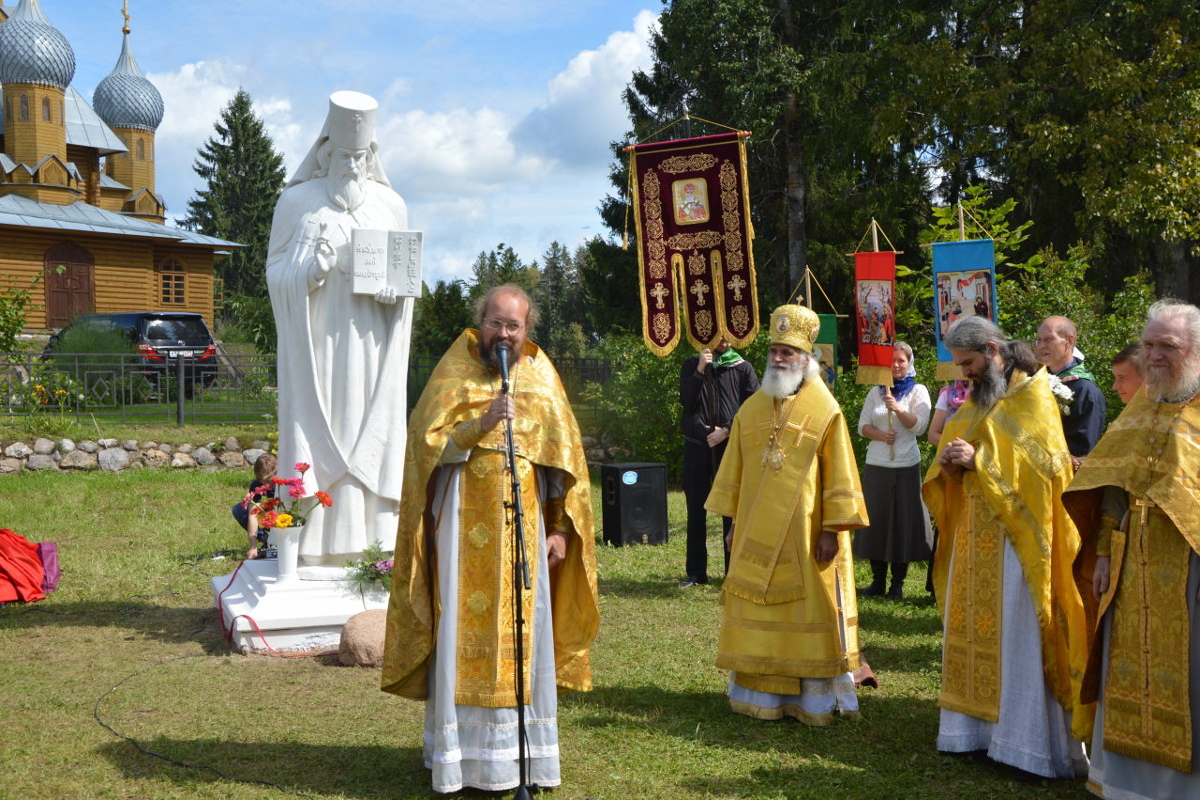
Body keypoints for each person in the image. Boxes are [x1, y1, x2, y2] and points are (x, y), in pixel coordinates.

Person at [381, 284, 599, 794]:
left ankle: (522, 759)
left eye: (514, 326)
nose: (504, 334)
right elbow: (424, 447)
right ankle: (461, 760)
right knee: (459, 635)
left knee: (525, 637)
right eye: (496, 323)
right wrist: (479, 424)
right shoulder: (452, 372)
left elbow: (563, 465)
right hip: (460, 530)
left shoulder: (541, 376)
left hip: (524, 530)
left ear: (528, 330)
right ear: (481, 322)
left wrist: (561, 529)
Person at [923, 315, 1091, 778]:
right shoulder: (979, 400)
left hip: (1018, 544)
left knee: (1017, 636)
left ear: (994, 351)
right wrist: (952, 466)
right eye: (959, 365)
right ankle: (970, 734)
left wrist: (979, 460)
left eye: (970, 362)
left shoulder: (1033, 395)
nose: (965, 373)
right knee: (973, 632)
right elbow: (951, 450)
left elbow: (1048, 473)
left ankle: (1024, 747)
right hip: (974, 537)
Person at [266, 90, 413, 568]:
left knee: (366, 426)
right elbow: (274, 271)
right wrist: (308, 272)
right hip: (319, 346)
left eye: (359, 157)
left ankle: (376, 544)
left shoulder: (391, 206)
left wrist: (396, 295)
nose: (351, 166)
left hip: (370, 343)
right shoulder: (296, 202)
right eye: (343, 156)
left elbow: (407, 276)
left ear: (371, 158)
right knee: (321, 427)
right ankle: (307, 547)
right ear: (325, 153)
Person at [706, 303, 869, 725]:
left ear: (805, 358)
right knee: (757, 611)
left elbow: (840, 474)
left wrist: (833, 528)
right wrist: (735, 527)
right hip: (755, 535)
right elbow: (737, 474)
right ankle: (759, 695)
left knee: (809, 609)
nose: (779, 359)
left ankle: (813, 698)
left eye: (788, 352)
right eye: (774, 350)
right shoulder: (753, 408)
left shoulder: (826, 410)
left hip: (807, 532)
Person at [1064, 299, 1200, 799]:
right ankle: (1126, 787)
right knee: (1129, 672)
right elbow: (1113, 489)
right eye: (1150, 345)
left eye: (1169, 346)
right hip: (1129, 567)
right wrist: (1101, 552)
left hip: (1190, 573)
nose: (1156, 356)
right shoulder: (1143, 406)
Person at [854, 342, 932, 599]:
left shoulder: (918, 391)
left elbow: (919, 427)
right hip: (877, 464)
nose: (896, 365)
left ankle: (897, 584)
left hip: (905, 465)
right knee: (877, 522)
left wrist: (898, 408)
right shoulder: (875, 393)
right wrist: (880, 435)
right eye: (892, 361)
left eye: (901, 360)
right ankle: (877, 580)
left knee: (902, 524)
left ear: (909, 362)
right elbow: (862, 426)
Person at [679, 337, 758, 587]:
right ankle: (696, 572)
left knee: (731, 510)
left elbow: (753, 407)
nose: (724, 341)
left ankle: (731, 572)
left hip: (729, 446)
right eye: (718, 335)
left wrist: (725, 430)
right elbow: (687, 402)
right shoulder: (692, 364)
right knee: (696, 509)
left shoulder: (742, 367)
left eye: (728, 336)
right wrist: (700, 369)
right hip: (697, 446)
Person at [1035, 315, 1107, 466]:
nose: (1041, 345)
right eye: (1039, 340)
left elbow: (1082, 450)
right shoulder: (1035, 381)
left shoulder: (1085, 389)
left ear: (1069, 341)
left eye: (1048, 339)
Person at [232, 453, 277, 559]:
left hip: (285, 516)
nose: (266, 485)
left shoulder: (286, 481)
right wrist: (252, 546)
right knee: (238, 509)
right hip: (272, 516)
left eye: (269, 481)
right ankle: (267, 539)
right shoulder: (256, 485)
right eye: (263, 482)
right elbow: (253, 514)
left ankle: (279, 540)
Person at [927, 380, 970, 448]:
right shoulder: (948, 394)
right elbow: (932, 436)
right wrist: (960, 449)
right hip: (949, 456)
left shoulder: (991, 397)